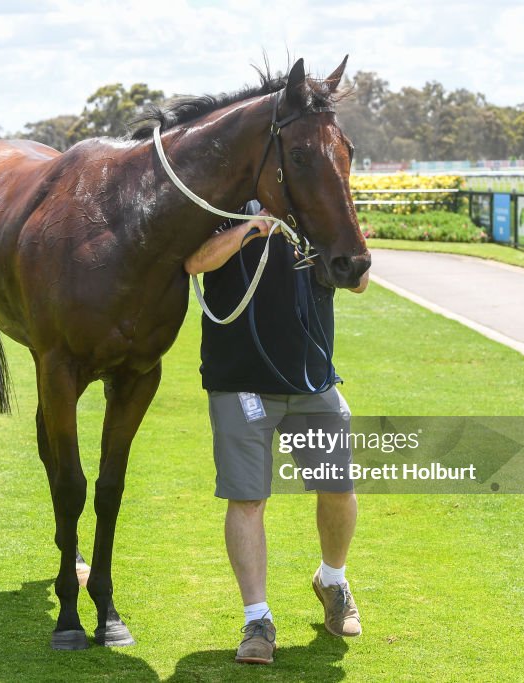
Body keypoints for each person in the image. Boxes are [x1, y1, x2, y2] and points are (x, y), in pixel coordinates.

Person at [184, 200, 369, 665]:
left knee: (338, 487)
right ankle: (257, 619)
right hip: (238, 382)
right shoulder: (220, 199)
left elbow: (359, 282)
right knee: (247, 499)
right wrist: (254, 227)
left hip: (312, 379)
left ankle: (332, 580)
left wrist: (346, 241)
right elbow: (195, 261)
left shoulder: (316, 203)